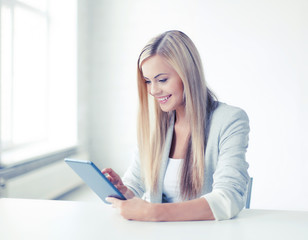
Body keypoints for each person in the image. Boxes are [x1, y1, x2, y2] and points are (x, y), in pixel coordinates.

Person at [102, 30, 250, 221]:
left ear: (188, 75)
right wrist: (125, 192)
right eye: (148, 81)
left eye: (162, 80)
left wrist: (154, 212)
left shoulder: (230, 120)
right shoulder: (156, 124)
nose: (153, 90)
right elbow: (137, 183)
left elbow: (228, 199)